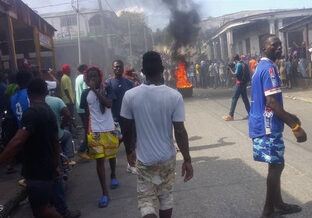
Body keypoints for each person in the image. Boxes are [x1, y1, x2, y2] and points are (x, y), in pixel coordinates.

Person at [121, 51, 193, 218]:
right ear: (162, 69)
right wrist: (188, 160)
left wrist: (129, 150)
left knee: (146, 201)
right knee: (166, 197)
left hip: (145, 159)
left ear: (142, 71)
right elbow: (180, 131)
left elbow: (126, 127)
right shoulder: (174, 96)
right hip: (167, 157)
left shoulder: (130, 96)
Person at [249, 35, 307, 218]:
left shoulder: (262, 67)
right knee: (276, 166)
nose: (279, 48)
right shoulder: (269, 69)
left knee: (275, 164)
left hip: (263, 123)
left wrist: (290, 115)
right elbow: (272, 102)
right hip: (267, 126)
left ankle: (278, 203)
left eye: (280, 44)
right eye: (274, 45)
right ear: (264, 48)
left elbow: (272, 102)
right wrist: (295, 126)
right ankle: (268, 210)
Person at [0, 79, 62, 218]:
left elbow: (17, 141)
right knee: (39, 210)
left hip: (37, 171)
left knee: (42, 210)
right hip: (47, 168)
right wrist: (56, 164)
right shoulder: (49, 111)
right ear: (45, 92)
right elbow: (56, 142)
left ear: (28, 94)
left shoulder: (31, 112)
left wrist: (2, 159)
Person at [80, 66, 118, 208]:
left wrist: (96, 91)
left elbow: (108, 104)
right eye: (90, 77)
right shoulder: (85, 94)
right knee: (99, 161)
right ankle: (105, 193)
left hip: (109, 128)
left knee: (111, 156)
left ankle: (113, 175)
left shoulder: (107, 88)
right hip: (94, 131)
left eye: (95, 76)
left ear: (99, 77)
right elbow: (85, 114)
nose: (92, 79)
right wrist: (86, 131)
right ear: (87, 79)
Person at [106, 60, 134, 177]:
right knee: (114, 146)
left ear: (123, 68)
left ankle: (131, 166)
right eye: (116, 67)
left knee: (129, 144)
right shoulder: (108, 83)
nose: (118, 69)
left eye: (120, 67)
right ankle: (113, 172)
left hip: (128, 119)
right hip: (115, 120)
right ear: (112, 68)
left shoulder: (129, 83)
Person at [222, 54, 250, 121]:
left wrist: (230, 69)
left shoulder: (238, 65)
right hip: (243, 84)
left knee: (234, 99)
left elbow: (235, 75)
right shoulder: (242, 63)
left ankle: (231, 115)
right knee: (245, 99)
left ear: (234, 60)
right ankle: (250, 114)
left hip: (239, 84)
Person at [75, 64, 90, 160]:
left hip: (79, 107)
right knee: (88, 130)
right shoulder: (84, 78)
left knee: (87, 128)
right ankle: (81, 149)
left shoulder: (77, 78)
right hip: (85, 108)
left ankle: (89, 150)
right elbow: (86, 91)